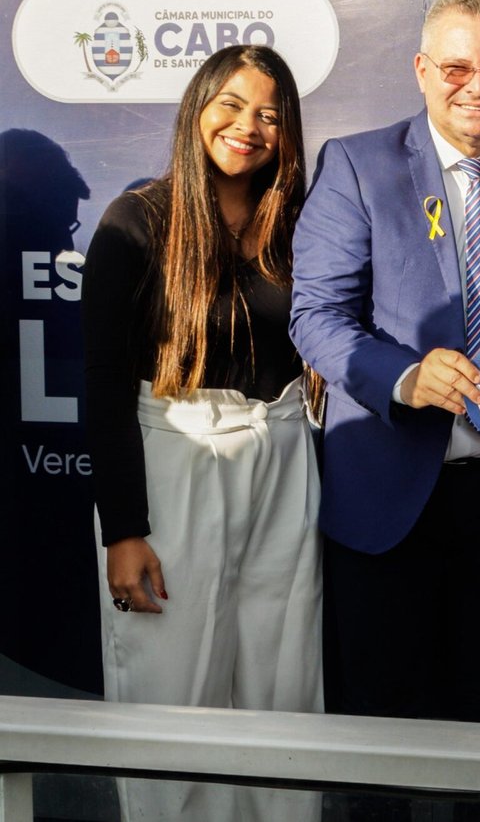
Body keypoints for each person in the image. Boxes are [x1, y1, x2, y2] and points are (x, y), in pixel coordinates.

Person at [291, 0, 480, 726]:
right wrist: (405, 376)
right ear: (421, 70)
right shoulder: (358, 166)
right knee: (384, 719)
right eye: (457, 68)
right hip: (389, 493)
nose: (479, 88)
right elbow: (315, 315)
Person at [82, 44, 320, 821]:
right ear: (197, 108)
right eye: (232, 105)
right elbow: (102, 386)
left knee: (281, 683)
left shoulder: (301, 223)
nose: (248, 127)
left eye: (270, 115)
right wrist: (123, 528)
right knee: (171, 686)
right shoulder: (136, 221)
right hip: (175, 454)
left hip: (281, 452)